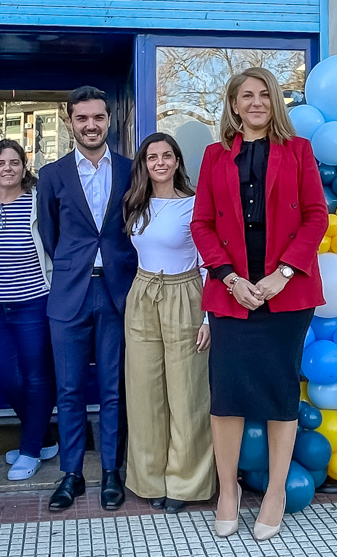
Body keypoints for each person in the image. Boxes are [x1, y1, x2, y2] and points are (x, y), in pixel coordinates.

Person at [191, 67, 328, 541]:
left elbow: (315, 218)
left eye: (264, 95)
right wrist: (230, 279)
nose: (255, 102)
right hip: (230, 295)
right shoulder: (213, 156)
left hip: (286, 295)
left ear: (275, 103)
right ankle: (227, 491)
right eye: (246, 95)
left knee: (278, 393)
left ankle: (274, 493)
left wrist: (281, 275)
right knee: (226, 396)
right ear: (232, 105)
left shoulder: (299, 151)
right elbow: (202, 225)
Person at [37, 86, 137, 512]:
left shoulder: (134, 170)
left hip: (118, 291)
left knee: (115, 389)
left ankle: (112, 471)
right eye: (82, 118)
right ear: (70, 121)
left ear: (109, 120)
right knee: (70, 388)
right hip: (70, 294)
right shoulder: (52, 174)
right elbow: (48, 232)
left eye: (98, 117)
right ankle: (72, 473)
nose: (91, 125)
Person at [121, 132, 215, 513]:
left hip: (185, 294)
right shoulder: (135, 204)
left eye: (166, 155)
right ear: (144, 164)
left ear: (177, 161)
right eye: (151, 157)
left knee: (187, 393)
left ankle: (185, 483)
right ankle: (149, 478)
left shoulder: (194, 205)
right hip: (142, 293)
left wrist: (208, 316)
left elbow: (209, 261)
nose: (159, 162)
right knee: (143, 392)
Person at [0, 139, 58, 481]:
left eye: (15, 162)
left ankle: (30, 449)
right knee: (7, 378)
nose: (7, 168)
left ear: (25, 168)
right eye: (0, 163)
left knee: (36, 377)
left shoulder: (37, 201)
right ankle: (42, 435)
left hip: (34, 303)